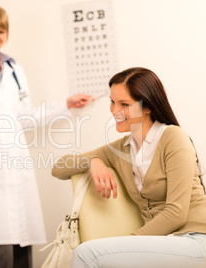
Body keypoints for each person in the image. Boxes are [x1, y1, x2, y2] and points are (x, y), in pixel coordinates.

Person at [0, 5, 92, 268]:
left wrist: (65, 104)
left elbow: (25, 117)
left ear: (7, 34)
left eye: (1, 31)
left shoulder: (14, 69)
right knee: (0, 256)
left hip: (15, 168)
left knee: (22, 252)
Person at [52, 67, 206, 268]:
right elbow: (58, 168)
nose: (115, 111)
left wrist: (128, 244)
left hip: (195, 240)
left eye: (124, 104)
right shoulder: (121, 148)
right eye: (112, 102)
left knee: (87, 253)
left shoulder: (173, 138)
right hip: (161, 243)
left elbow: (176, 212)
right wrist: (91, 161)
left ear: (148, 106)